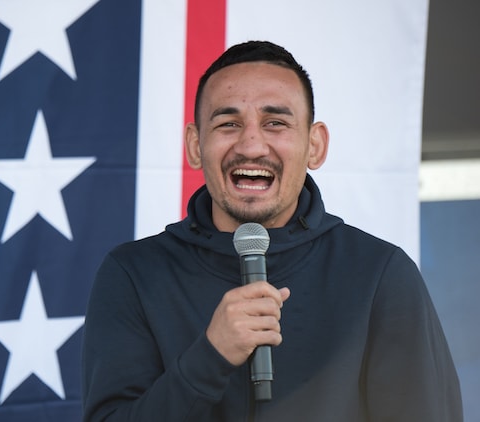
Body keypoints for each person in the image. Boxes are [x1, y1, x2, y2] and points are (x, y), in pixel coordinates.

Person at [81, 41, 462, 421]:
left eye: (275, 123)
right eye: (228, 124)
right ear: (195, 146)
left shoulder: (379, 273)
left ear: (315, 145)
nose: (250, 145)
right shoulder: (133, 273)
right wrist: (210, 357)